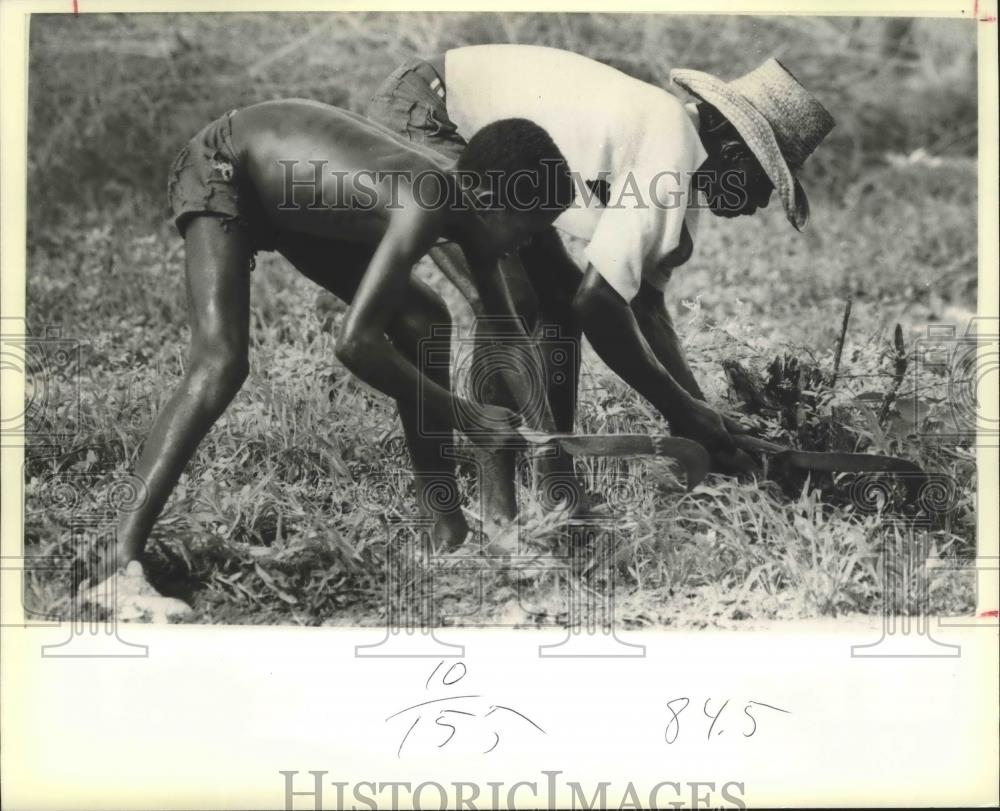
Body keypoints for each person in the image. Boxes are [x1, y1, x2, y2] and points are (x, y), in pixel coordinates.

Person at [89, 98, 574, 613]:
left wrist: (549, 441)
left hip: (288, 200)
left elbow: (507, 334)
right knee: (221, 362)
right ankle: (116, 564)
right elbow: (355, 344)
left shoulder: (472, 216)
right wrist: (463, 414)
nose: (526, 246)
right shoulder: (429, 202)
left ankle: (444, 529)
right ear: (485, 198)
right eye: (526, 230)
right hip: (226, 165)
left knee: (426, 322)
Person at [366, 46, 835, 537]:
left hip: (484, 137)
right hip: (429, 114)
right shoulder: (670, 144)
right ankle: (498, 510)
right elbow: (601, 304)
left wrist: (702, 419)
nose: (759, 202)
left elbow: (645, 308)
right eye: (763, 181)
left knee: (558, 304)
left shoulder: (680, 158)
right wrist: (683, 411)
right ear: (734, 150)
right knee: (513, 305)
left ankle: (556, 484)